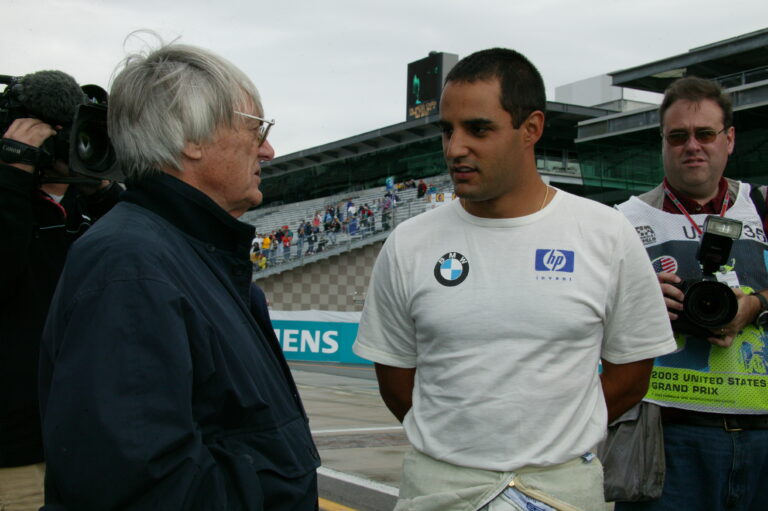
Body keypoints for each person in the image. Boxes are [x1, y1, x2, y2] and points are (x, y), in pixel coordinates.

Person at [352, 48, 676, 511]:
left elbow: (632, 374)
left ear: (532, 129)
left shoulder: (605, 233)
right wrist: (465, 447)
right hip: (441, 491)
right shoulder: (409, 242)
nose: (454, 148)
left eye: (478, 129)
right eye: (447, 130)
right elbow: (395, 379)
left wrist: (555, 434)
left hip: (562, 490)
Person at [38, 39, 320, 510]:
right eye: (256, 128)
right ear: (190, 139)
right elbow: (141, 483)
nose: (268, 150)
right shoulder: (131, 266)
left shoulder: (181, 253)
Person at [614, 76, 768, 511]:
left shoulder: (763, 207)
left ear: (730, 139)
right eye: (678, 136)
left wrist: (754, 303)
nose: (692, 146)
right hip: (666, 436)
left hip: (762, 433)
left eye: (705, 134)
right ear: (662, 142)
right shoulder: (622, 221)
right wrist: (634, 304)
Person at [0, 71, 121, 511]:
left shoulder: (90, 205)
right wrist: (12, 175)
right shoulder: (8, 196)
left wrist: (103, 189)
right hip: (16, 454)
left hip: (90, 444)